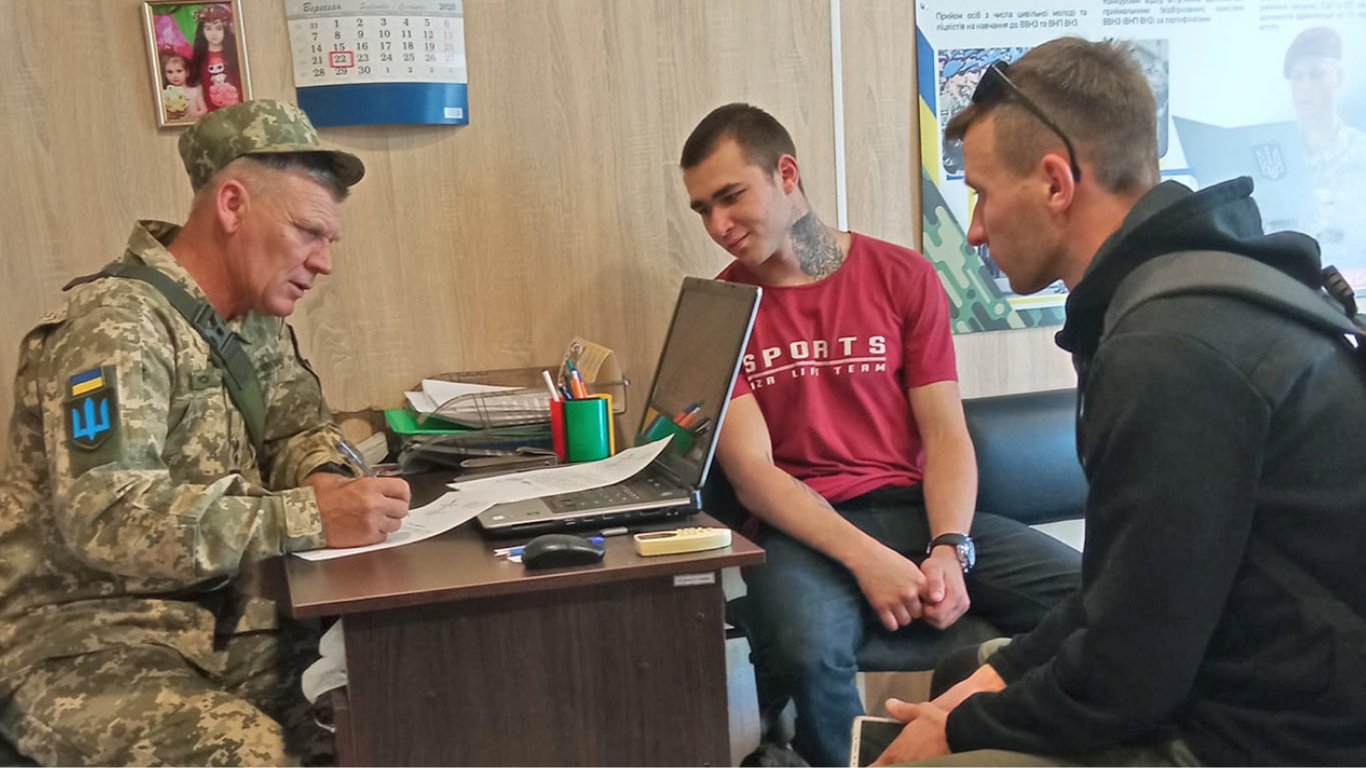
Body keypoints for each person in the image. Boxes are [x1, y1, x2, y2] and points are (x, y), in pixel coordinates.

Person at [871, 36, 1366, 766]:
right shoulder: (1191, 287)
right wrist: (993, 681)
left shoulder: (1169, 350)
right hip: (1240, 663)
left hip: (1276, 736)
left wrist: (959, 731)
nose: (973, 229)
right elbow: (1125, 588)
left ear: (1055, 183)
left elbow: (1130, 670)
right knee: (963, 674)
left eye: (981, 194)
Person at [0, 99, 413, 766]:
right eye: (308, 232)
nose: (323, 262)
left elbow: (295, 429)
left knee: (403, 693)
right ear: (231, 205)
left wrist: (325, 478)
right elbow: (107, 516)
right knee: (255, 758)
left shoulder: (254, 318)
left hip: (225, 619)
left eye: (329, 240)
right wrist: (310, 517)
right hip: (85, 642)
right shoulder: (114, 327)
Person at [679, 103, 1082, 767]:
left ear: (786, 174)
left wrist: (950, 547)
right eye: (702, 209)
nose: (717, 225)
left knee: (1095, 604)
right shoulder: (718, 311)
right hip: (803, 531)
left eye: (731, 196)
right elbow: (754, 475)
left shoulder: (902, 276)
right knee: (806, 651)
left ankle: (987, 744)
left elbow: (945, 434)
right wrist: (870, 560)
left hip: (914, 511)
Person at [1283, 26, 1366, 287]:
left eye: (1316, 74)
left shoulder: (1361, 153)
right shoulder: (1277, 159)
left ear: (1338, 78)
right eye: (1297, 77)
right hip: (1289, 291)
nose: (1305, 87)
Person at [191, 3, 242, 111]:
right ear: (202, 31)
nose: (214, 34)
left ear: (225, 30)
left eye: (218, 28)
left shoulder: (235, 53)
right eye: (208, 28)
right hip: (210, 112)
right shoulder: (199, 56)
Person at [161, 48, 207, 122]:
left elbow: (204, 110)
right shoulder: (165, 93)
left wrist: (192, 116)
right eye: (170, 72)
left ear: (187, 72)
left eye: (179, 71)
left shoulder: (195, 90)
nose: (175, 76)